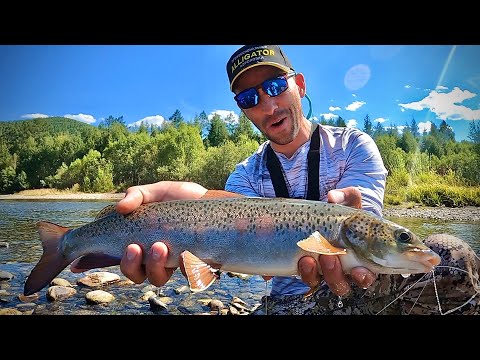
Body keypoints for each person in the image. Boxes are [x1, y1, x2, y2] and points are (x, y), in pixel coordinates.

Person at [72, 45, 480, 315]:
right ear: (244, 111)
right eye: (250, 99)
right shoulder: (245, 176)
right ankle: (70, 244)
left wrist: (371, 228)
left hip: (365, 290)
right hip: (290, 305)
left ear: (298, 84)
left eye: (273, 85)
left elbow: (368, 229)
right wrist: (175, 218)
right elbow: (220, 236)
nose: (267, 104)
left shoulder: (354, 145)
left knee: (452, 256)